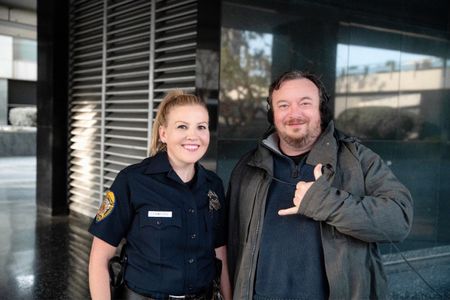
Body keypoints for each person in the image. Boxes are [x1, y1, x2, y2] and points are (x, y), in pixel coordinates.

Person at [227, 70, 413, 299]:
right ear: (272, 113)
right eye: (283, 105)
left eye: (305, 103)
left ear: (321, 109)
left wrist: (326, 202)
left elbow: (399, 218)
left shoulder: (358, 159)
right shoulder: (248, 167)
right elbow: (232, 244)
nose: (294, 113)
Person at [88, 91, 232, 300]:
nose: (193, 136)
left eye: (201, 127)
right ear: (163, 133)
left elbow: (221, 255)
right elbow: (99, 259)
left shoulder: (213, 185)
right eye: (182, 126)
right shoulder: (132, 181)